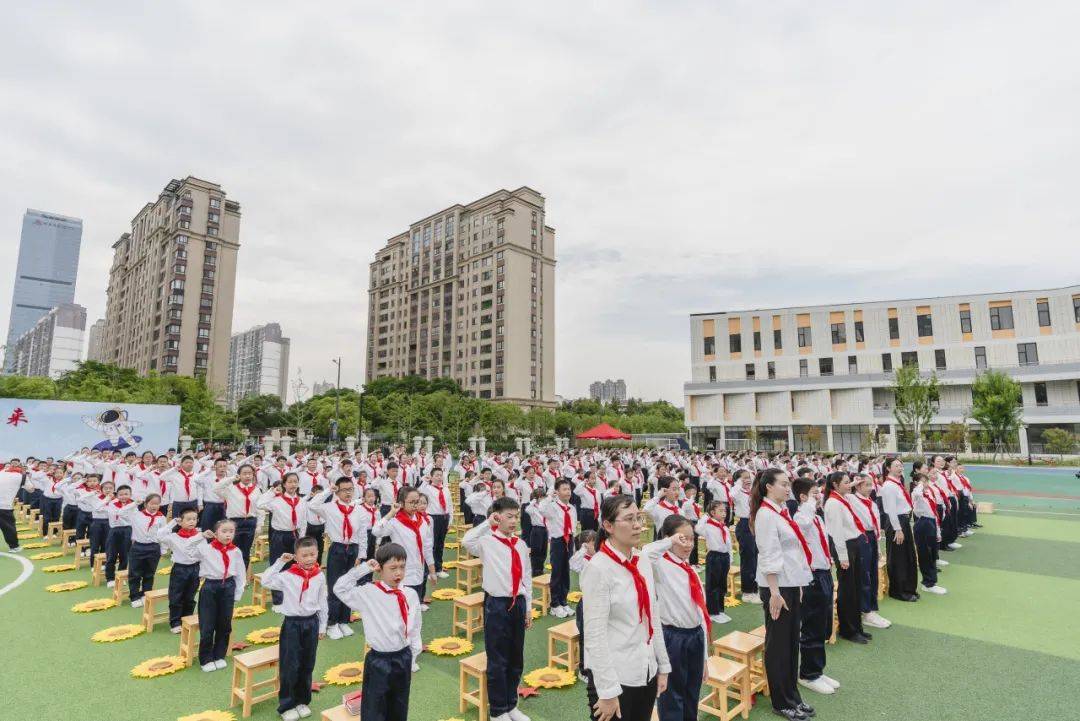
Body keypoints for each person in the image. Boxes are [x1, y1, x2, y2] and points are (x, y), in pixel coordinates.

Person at [581, 494, 670, 721]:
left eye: (638, 517)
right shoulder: (598, 568)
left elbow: (653, 614)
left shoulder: (642, 561)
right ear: (608, 526)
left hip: (645, 669)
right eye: (629, 519)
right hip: (615, 677)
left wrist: (662, 665)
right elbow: (594, 635)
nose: (638, 525)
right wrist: (608, 691)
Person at [751, 468, 814, 721]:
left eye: (788, 485)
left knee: (791, 642)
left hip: (789, 583)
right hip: (775, 587)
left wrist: (797, 582)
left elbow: (792, 551)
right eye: (784, 484)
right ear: (769, 487)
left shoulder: (780, 511)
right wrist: (775, 593)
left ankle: (793, 695)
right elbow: (769, 555)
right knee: (778, 646)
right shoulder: (766, 515)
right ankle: (781, 700)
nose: (788, 489)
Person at [462, 497, 534, 721]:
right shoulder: (487, 542)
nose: (514, 521)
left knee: (515, 658)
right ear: (498, 516)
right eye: (509, 516)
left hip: (518, 603)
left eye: (516, 517)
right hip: (497, 604)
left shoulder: (520, 545)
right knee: (497, 659)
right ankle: (498, 710)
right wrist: (487, 522)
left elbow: (527, 578)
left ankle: (512, 705)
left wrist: (528, 607)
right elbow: (466, 541)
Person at [333, 544, 423, 721]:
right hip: (379, 660)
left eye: (402, 567)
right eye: (392, 568)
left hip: (403, 657)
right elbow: (339, 588)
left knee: (399, 705)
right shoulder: (368, 593)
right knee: (374, 707)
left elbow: (414, 627)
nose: (398, 573)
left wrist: (413, 656)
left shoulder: (410, 594)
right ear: (380, 569)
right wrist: (364, 568)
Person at [643, 514, 709, 721]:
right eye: (683, 539)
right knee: (672, 697)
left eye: (692, 539)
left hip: (695, 636)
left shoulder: (690, 569)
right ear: (669, 539)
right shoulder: (660, 564)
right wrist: (670, 541)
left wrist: (705, 656)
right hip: (673, 638)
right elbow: (645, 553)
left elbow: (701, 615)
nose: (689, 544)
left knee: (692, 693)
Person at [258, 537, 329, 721]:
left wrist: (322, 625)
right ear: (296, 556)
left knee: (307, 663)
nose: (309, 558)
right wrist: (280, 561)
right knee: (290, 665)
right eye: (304, 555)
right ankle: (287, 705)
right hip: (292, 624)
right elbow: (266, 580)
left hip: (311, 623)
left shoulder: (319, 576)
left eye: (313, 554)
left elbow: (323, 602)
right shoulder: (288, 575)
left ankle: (302, 701)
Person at [791, 477, 838, 696]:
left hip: (824, 572)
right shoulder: (801, 516)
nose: (820, 496)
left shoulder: (815, 517)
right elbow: (803, 525)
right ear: (803, 497)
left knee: (823, 624)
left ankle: (817, 669)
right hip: (811, 577)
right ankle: (807, 674)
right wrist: (809, 504)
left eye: (819, 493)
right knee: (812, 626)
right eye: (814, 493)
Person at [309, 476, 369, 639]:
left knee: (349, 585)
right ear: (338, 490)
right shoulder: (329, 508)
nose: (348, 493)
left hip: (353, 549)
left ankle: (344, 620)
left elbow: (363, 533)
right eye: (344, 489)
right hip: (337, 548)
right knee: (335, 585)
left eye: (351, 489)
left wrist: (362, 555)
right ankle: (332, 623)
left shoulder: (359, 509)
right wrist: (329, 490)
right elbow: (312, 504)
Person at [822, 471, 869, 644]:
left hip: (853, 543)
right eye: (846, 482)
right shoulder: (833, 503)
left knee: (855, 587)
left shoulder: (843, 498)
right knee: (847, 589)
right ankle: (849, 630)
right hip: (844, 547)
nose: (850, 485)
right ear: (835, 484)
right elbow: (837, 533)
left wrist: (853, 484)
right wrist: (843, 557)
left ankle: (857, 627)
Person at [194, 519, 247, 671]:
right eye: (224, 531)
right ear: (216, 533)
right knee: (207, 624)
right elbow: (188, 550)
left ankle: (219, 655)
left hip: (228, 587)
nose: (228, 535)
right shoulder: (205, 548)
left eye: (231, 531)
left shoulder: (236, 551)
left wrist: (237, 593)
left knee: (225, 624)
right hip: (210, 586)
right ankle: (206, 658)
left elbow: (241, 575)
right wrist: (201, 536)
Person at [371, 487, 435, 605]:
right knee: (401, 611)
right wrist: (391, 513)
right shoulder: (395, 522)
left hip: (419, 572)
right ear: (401, 503)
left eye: (418, 501)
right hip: (402, 573)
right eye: (412, 502)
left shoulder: (423, 522)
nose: (416, 505)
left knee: (414, 611)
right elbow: (376, 531)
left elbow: (427, 547)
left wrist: (432, 570)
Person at [257, 472, 308, 609]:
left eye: (295, 481)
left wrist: (302, 539)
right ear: (284, 484)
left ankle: (293, 597)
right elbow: (259, 504)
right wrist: (272, 492)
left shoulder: (301, 501)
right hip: (279, 535)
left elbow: (303, 521)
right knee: (278, 565)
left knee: (295, 566)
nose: (293, 484)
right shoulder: (276, 500)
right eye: (289, 482)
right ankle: (278, 601)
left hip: (295, 535)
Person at [850, 473, 890, 629]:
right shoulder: (851, 499)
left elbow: (875, 525)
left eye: (871, 484)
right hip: (861, 537)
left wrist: (878, 546)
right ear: (858, 486)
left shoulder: (871, 502)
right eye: (866, 484)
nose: (870, 487)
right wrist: (854, 483)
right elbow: (841, 493)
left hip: (872, 537)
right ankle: (866, 611)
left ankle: (871, 609)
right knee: (865, 575)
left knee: (872, 573)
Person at [157, 508, 204, 633]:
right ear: (181, 522)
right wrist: (173, 522)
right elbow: (159, 535)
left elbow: (204, 554)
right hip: (180, 569)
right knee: (176, 596)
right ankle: (175, 622)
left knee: (190, 596)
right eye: (188, 519)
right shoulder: (174, 537)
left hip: (195, 568)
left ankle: (186, 620)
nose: (191, 522)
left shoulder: (200, 536)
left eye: (194, 519)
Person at [880, 457, 919, 602]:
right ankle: (898, 591)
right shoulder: (889, 486)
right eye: (896, 465)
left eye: (901, 465)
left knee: (908, 556)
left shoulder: (897, 483)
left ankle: (908, 588)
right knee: (898, 558)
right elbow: (890, 510)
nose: (900, 467)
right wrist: (898, 529)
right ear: (888, 468)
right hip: (896, 523)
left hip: (903, 521)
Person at [118, 492, 166, 607]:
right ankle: (134, 596)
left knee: (149, 573)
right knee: (135, 573)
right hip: (138, 547)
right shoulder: (137, 514)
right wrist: (134, 503)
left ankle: (145, 594)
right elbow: (121, 512)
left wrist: (163, 549)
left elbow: (165, 534)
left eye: (157, 504)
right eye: (152, 503)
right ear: (145, 504)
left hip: (154, 547)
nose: (154, 506)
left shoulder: (161, 517)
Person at [539, 479, 577, 618]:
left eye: (569, 489)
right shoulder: (552, 507)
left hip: (569, 539)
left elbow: (572, 525)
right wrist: (550, 495)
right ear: (557, 492)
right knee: (557, 573)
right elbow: (541, 508)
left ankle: (563, 601)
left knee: (566, 572)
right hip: (558, 541)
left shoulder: (572, 508)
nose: (568, 492)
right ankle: (554, 605)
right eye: (564, 489)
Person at [213, 464, 262, 567]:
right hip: (234, 523)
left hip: (250, 522)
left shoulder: (256, 490)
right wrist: (231, 478)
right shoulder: (231, 488)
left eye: (250, 473)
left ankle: (242, 578)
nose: (247, 476)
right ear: (239, 475)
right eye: (244, 473)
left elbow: (260, 509)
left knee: (246, 552)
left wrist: (259, 525)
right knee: (232, 549)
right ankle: (230, 574)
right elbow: (216, 488)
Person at [695, 499, 732, 624]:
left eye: (725, 511)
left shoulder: (724, 527)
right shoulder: (708, 526)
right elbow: (698, 529)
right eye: (720, 511)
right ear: (712, 512)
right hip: (714, 557)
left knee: (722, 585)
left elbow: (729, 544)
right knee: (713, 585)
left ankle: (720, 610)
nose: (724, 513)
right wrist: (705, 516)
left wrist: (730, 558)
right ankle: (712, 612)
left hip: (724, 557)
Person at [911, 472, 948, 595]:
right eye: (923, 481)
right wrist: (920, 484)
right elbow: (916, 493)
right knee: (925, 554)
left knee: (932, 554)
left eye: (926, 481)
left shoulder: (928, 494)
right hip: (923, 523)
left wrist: (937, 531)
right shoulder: (917, 494)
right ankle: (927, 583)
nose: (925, 484)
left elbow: (934, 513)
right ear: (916, 483)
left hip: (931, 522)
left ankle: (931, 581)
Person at [570, 529, 597, 677]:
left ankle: (596, 666)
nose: (598, 545)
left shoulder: (600, 557)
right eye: (594, 544)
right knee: (585, 637)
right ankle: (584, 670)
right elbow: (572, 564)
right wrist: (582, 550)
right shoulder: (583, 560)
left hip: (599, 602)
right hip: (586, 603)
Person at [731, 469, 760, 604]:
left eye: (749, 477)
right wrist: (738, 483)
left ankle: (755, 587)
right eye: (744, 478)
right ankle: (747, 591)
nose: (748, 480)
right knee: (748, 559)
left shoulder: (752, 492)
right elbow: (732, 494)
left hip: (755, 523)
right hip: (744, 524)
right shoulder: (737, 492)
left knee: (755, 557)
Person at [419, 467, 453, 577]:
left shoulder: (446, 489)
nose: (439, 477)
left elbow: (450, 505)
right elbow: (418, 491)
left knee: (440, 544)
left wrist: (450, 520)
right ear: (432, 477)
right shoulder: (427, 488)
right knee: (431, 544)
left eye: (440, 475)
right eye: (437, 475)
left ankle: (438, 569)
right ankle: (429, 570)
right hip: (433, 518)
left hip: (444, 518)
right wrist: (424, 480)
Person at [103, 484, 134, 587]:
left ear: (130, 494)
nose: (123, 496)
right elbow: (120, 513)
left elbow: (135, 519)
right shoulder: (112, 504)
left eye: (126, 494)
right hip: (115, 530)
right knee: (111, 554)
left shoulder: (134, 505)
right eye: (121, 494)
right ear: (117, 495)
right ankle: (110, 578)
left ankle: (121, 576)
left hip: (128, 530)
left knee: (125, 555)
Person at [524, 488, 549, 577]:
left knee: (543, 551)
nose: (543, 499)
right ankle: (535, 571)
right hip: (536, 530)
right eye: (541, 497)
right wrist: (533, 501)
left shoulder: (545, 506)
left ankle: (541, 569)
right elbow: (527, 510)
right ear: (537, 498)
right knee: (536, 551)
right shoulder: (532, 507)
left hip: (544, 529)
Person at [0, 461, 23, 552]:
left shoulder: (2, 474)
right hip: (5, 506)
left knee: (8, 527)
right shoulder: (20, 476)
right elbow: (30, 488)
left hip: (5, 505)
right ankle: (14, 546)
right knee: (9, 528)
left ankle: (14, 546)